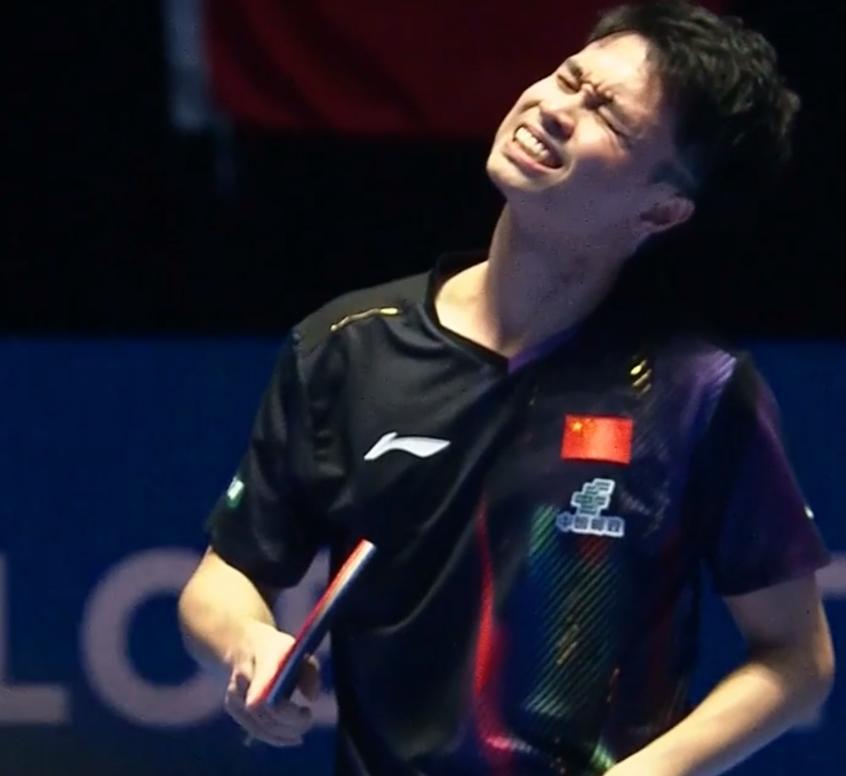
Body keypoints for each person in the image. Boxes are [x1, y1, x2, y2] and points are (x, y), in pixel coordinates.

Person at [177, 2, 835, 774]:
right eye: (569, 78)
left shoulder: (698, 393)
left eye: (607, 118)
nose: (555, 109)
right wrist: (248, 641)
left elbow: (796, 658)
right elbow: (224, 577)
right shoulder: (347, 347)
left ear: (661, 209)